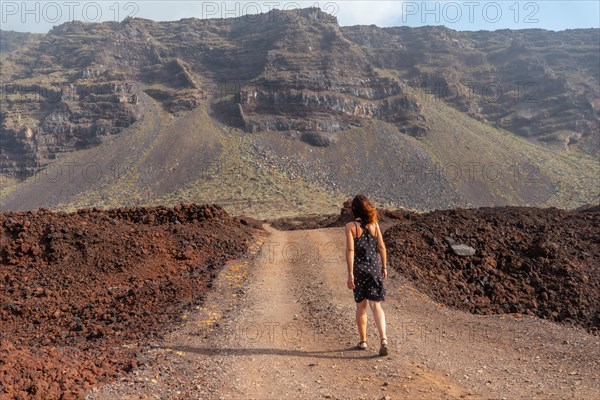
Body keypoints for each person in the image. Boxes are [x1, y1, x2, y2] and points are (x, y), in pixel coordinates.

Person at [344, 194, 389, 356]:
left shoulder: (350, 227)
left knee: (361, 306)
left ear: (354, 209)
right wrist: (384, 267)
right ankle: (383, 338)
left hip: (359, 270)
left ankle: (363, 341)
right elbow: (382, 248)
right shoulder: (375, 225)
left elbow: (350, 251)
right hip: (374, 268)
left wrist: (350, 274)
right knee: (376, 306)